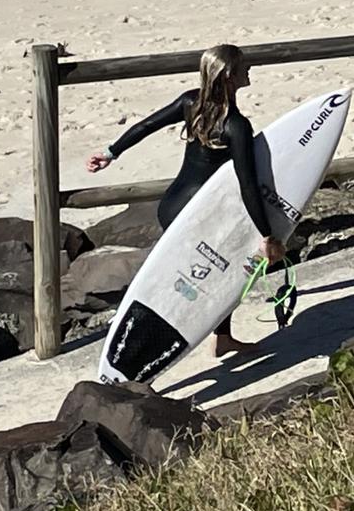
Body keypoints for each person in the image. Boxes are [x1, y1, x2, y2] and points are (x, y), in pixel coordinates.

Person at [86, 44, 285, 357]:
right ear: (230, 75)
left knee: (186, 276)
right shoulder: (236, 126)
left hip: (171, 207)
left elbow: (145, 126)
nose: (250, 71)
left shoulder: (191, 102)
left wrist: (111, 153)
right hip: (200, 216)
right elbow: (248, 185)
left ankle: (222, 336)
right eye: (245, 67)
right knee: (221, 274)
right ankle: (152, 343)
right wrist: (267, 235)